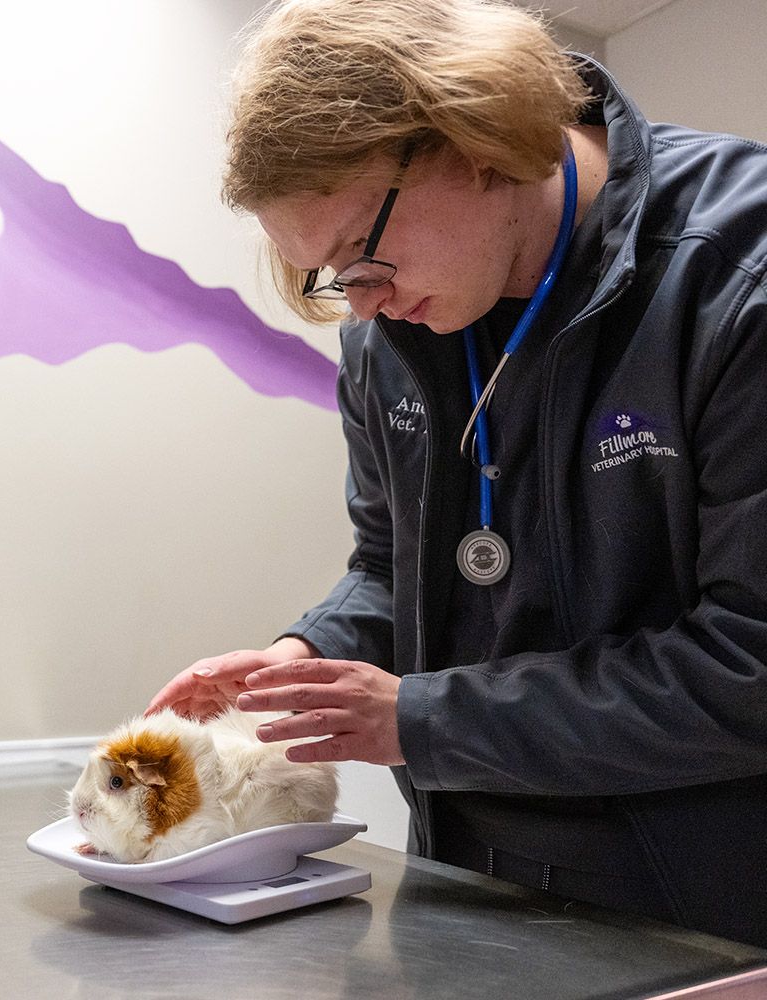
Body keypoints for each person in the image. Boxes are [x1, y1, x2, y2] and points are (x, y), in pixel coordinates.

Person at [147, 0, 767, 946]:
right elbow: (390, 566)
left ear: (471, 137)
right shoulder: (389, 331)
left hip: (711, 899)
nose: (362, 302)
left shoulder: (737, 280)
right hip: (466, 867)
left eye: (362, 254)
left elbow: (750, 664)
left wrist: (419, 720)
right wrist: (303, 660)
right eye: (325, 276)